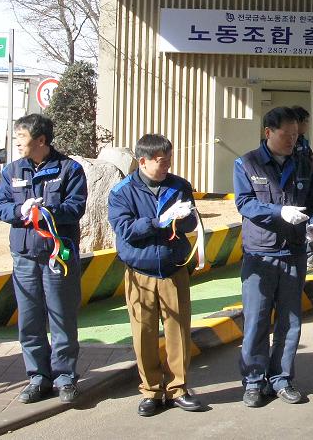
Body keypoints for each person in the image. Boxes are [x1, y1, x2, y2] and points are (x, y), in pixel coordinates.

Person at [108, 134, 207, 416]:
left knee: (178, 331)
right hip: (140, 272)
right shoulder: (122, 192)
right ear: (143, 161)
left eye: (169, 160)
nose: (167, 167)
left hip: (174, 269)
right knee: (144, 333)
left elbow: (191, 222)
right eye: (162, 162)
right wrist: (157, 222)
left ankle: (179, 388)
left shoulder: (179, 186)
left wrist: (183, 217)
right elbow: (125, 229)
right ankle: (151, 390)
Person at [0, 114, 87, 404]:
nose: (17, 143)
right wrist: (21, 211)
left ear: (41, 140)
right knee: (30, 320)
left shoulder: (69, 169)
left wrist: (46, 211)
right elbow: (0, 206)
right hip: (24, 256)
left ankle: (64, 377)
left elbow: (76, 207)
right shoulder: (12, 171)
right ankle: (38, 377)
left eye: (21, 137)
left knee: (62, 316)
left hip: (58, 255)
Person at [234, 106, 313, 407]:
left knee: (290, 320)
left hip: (293, 251)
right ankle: (254, 381)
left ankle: (282, 379)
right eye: (286, 135)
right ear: (268, 132)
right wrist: (278, 211)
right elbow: (245, 203)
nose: (292, 141)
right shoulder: (247, 163)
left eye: (296, 135)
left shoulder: (303, 163)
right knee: (257, 320)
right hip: (260, 254)